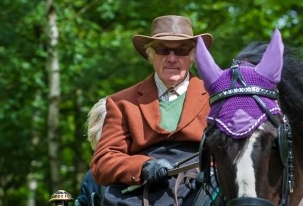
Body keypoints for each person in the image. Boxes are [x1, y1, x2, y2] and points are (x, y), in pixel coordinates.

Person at [90, 14, 212, 189]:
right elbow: (103, 161)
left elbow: (233, 150)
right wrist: (142, 167)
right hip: (141, 192)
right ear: (150, 55)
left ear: (192, 56)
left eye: (181, 50)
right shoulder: (122, 102)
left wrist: (211, 170)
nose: (172, 58)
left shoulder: (214, 97)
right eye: (162, 50)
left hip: (202, 189)